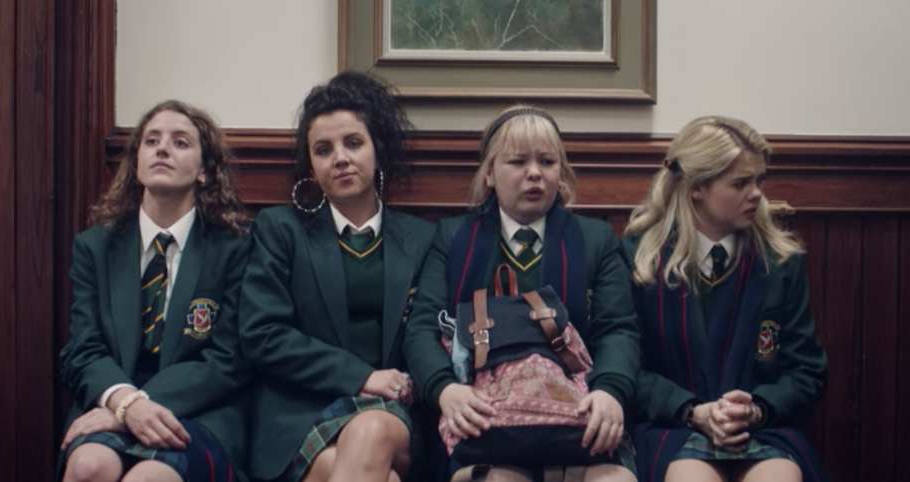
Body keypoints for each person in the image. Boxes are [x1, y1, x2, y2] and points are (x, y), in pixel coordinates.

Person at [403, 105, 640, 482]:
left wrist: (610, 391)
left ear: (560, 174)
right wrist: (445, 390)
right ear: (490, 174)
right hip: (486, 421)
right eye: (517, 161)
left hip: (576, 418)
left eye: (547, 161)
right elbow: (421, 328)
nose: (534, 173)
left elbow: (619, 330)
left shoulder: (594, 240)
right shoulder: (453, 238)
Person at [239, 71, 435, 482]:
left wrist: (408, 381)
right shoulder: (280, 230)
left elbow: (431, 331)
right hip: (300, 414)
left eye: (353, 143)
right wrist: (361, 377)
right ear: (310, 164)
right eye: (323, 149)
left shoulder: (422, 238)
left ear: (376, 149)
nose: (340, 158)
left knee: (370, 429)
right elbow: (263, 334)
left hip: (396, 412)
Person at [623, 116, 828, 482]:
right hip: (674, 425)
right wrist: (694, 412)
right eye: (740, 183)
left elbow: (807, 372)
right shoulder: (639, 261)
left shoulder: (779, 263)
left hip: (761, 427)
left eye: (759, 180)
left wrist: (757, 410)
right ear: (696, 188)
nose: (757, 194)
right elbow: (628, 370)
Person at [58, 100, 252, 482]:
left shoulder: (235, 249)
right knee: (86, 467)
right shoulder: (94, 247)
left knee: (148, 479)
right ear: (136, 164)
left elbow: (230, 358)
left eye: (180, 142)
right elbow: (82, 349)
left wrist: (138, 405)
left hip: (199, 409)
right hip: (111, 399)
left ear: (205, 171)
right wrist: (123, 403)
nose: (162, 148)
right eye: (151, 141)